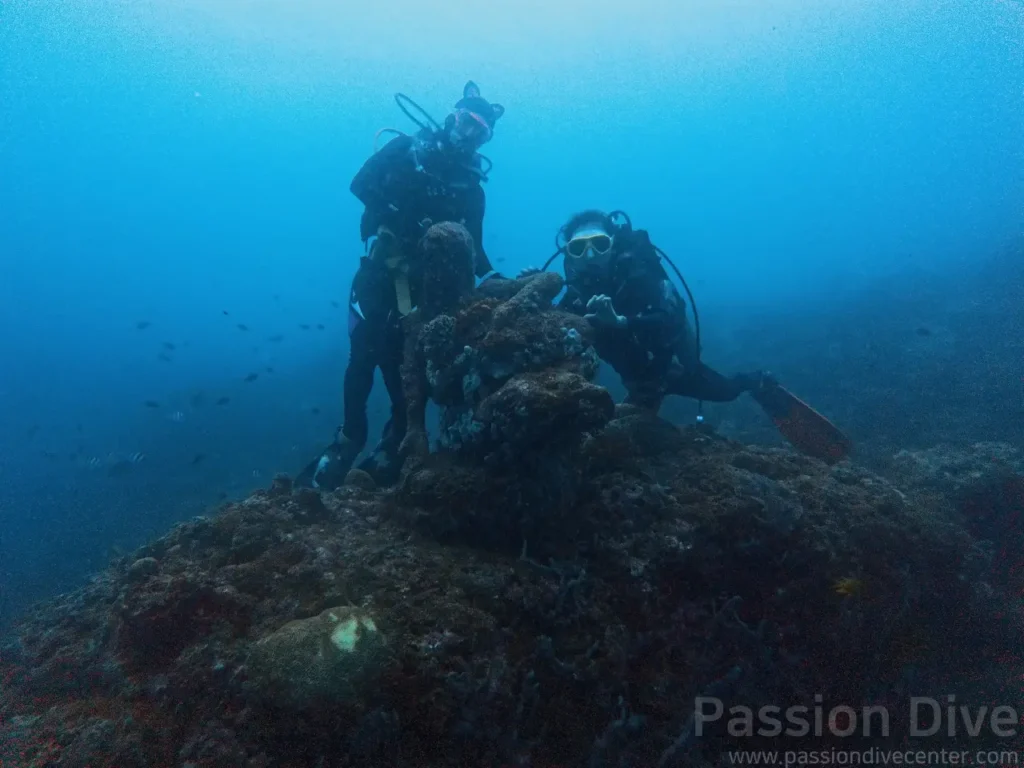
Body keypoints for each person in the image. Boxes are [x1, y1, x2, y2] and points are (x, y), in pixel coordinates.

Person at [296, 81, 506, 491]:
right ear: (452, 116)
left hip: (423, 291)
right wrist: (400, 217)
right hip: (378, 276)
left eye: (480, 132)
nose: (468, 135)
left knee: (403, 368)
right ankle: (347, 440)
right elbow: (360, 184)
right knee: (362, 357)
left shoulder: (472, 189)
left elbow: (475, 250)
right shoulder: (407, 150)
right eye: (466, 122)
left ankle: (394, 443)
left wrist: (494, 280)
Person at [551, 209, 773, 411]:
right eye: (579, 248)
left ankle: (756, 381)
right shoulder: (577, 293)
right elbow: (554, 325)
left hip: (667, 365)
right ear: (568, 254)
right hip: (638, 379)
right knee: (634, 421)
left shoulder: (639, 274)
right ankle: (646, 393)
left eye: (599, 245)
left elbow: (669, 317)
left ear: (613, 243)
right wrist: (532, 292)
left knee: (725, 391)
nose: (590, 256)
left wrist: (621, 322)